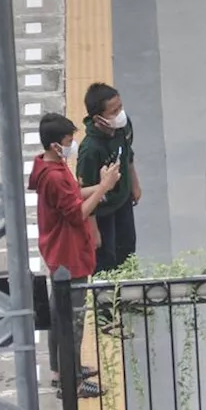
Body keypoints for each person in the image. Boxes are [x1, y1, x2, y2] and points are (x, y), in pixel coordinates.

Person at [29, 113, 121, 398]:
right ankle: (74, 384)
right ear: (56, 145)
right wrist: (104, 188)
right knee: (73, 319)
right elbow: (76, 212)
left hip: (58, 251)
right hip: (69, 254)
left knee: (59, 314)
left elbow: (74, 195)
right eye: (69, 141)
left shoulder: (47, 166)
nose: (73, 145)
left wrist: (100, 185)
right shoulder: (55, 177)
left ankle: (63, 370)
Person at [76, 82, 141, 275]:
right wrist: (93, 231)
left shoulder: (123, 126)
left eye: (120, 107)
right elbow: (86, 193)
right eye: (114, 111)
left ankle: (130, 298)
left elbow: (128, 156)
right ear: (98, 118)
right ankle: (108, 302)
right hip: (103, 213)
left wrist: (135, 185)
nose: (120, 114)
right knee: (106, 261)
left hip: (123, 202)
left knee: (127, 251)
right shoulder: (90, 150)